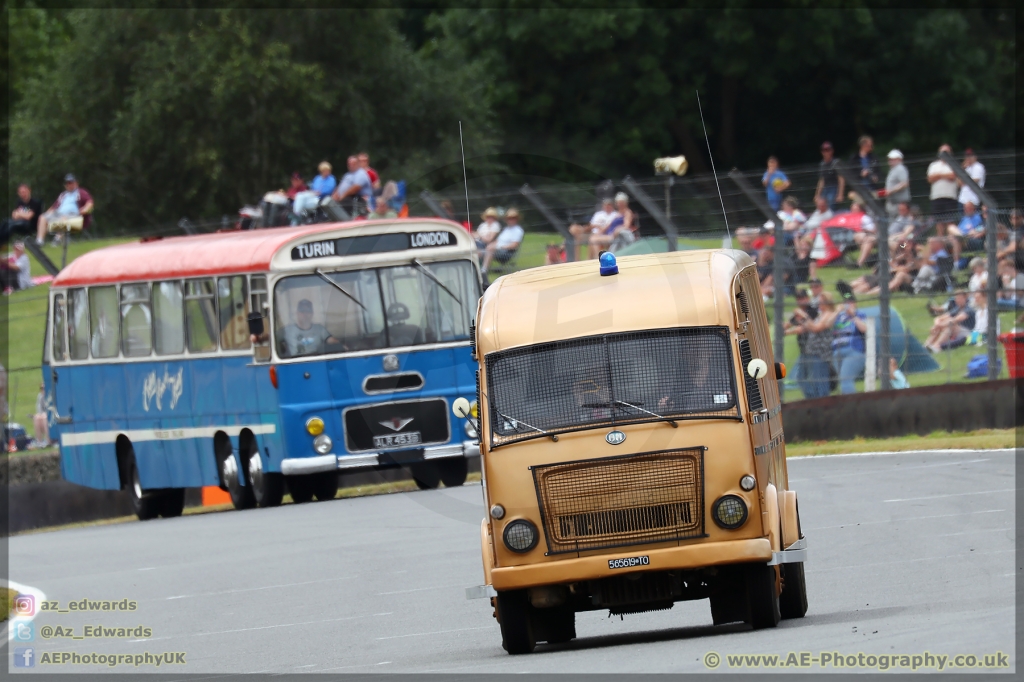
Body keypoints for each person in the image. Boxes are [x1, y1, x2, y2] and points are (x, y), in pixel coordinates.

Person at [798, 292, 838, 398]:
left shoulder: (829, 314)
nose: (818, 303)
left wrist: (804, 316)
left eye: (820, 301)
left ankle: (823, 402)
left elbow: (816, 328)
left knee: (821, 381)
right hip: (812, 351)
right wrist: (803, 321)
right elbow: (811, 326)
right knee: (808, 379)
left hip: (820, 352)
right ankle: (813, 399)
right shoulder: (821, 315)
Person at [37, 174, 94, 245]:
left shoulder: (81, 192)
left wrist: (85, 210)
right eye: (67, 183)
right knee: (42, 217)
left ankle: (57, 239)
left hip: (74, 215)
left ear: (76, 183)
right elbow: (53, 207)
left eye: (71, 182)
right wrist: (47, 214)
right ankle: (39, 242)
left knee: (63, 217)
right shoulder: (63, 195)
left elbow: (89, 203)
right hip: (59, 214)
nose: (69, 184)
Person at [271, 299, 340, 357]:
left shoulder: (319, 329)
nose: (305, 314)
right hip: (294, 363)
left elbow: (331, 340)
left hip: (316, 361)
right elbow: (271, 337)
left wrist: (342, 346)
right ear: (297, 313)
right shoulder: (287, 330)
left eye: (308, 311)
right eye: (302, 311)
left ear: (312, 313)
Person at [830, 293, 868, 394]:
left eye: (850, 302)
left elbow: (864, 329)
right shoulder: (838, 316)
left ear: (855, 303)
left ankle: (852, 405)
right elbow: (827, 325)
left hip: (854, 350)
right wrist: (837, 311)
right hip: (837, 351)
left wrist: (853, 315)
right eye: (845, 302)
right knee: (843, 381)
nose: (848, 304)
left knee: (846, 379)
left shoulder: (860, 314)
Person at [589, 192, 637, 258]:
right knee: (593, 238)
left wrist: (617, 229)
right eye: (618, 202)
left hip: (616, 236)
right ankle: (593, 259)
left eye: (621, 202)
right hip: (610, 234)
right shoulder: (617, 213)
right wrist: (600, 232)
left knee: (593, 240)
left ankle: (598, 258)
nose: (619, 204)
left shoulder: (627, 212)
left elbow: (626, 225)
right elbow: (608, 225)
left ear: (625, 203)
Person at [927, 144, 960, 237]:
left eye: (946, 152)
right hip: (936, 197)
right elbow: (930, 178)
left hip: (950, 197)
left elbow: (953, 176)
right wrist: (945, 175)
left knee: (950, 223)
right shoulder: (933, 165)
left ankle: (951, 243)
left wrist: (938, 175)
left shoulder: (954, 164)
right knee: (939, 223)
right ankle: (941, 245)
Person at [482, 207, 524, 274]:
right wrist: (492, 245)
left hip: (506, 252)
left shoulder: (518, 230)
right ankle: (478, 268)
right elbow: (498, 241)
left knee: (490, 250)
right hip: (498, 249)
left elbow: (514, 245)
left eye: (513, 218)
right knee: (480, 250)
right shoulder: (506, 229)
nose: (511, 220)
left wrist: (500, 247)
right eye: (509, 218)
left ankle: (484, 270)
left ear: (516, 219)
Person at [814, 141, 844, 209]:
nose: (826, 152)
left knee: (831, 203)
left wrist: (840, 194)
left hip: (834, 187)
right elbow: (821, 180)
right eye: (824, 150)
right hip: (826, 188)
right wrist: (817, 195)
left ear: (832, 151)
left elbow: (841, 179)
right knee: (820, 204)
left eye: (828, 150)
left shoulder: (836, 163)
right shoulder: (822, 164)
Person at [883, 150, 910, 218]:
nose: (890, 161)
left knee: (898, 224)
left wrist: (891, 191)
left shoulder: (900, 169)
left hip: (899, 204)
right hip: (893, 203)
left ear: (899, 159)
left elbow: (904, 183)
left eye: (892, 159)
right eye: (889, 159)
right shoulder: (893, 170)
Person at [32, 383, 50, 447]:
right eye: (41, 388)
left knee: (45, 418)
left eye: (44, 388)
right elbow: (39, 410)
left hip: (51, 416)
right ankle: (39, 441)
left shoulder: (52, 395)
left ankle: (49, 440)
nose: (43, 390)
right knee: (36, 418)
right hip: (43, 416)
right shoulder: (40, 396)